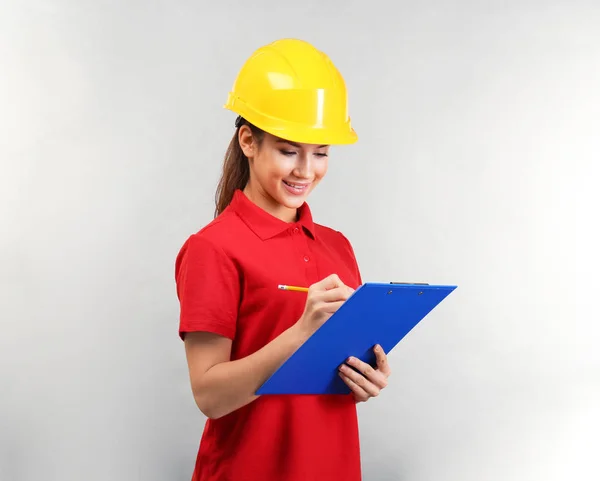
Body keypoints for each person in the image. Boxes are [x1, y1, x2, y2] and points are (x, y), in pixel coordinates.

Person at [174, 38, 391, 481]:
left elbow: (326, 376)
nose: (305, 171)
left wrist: (363, 380)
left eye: (321, 153)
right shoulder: (212, 248)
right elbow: (210, 396)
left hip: (333, 467)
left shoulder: (338, 247)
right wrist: (300, 334)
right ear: (249, 141)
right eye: (289, 151)